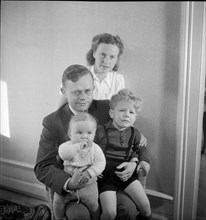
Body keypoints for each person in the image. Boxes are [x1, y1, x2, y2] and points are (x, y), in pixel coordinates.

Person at [34, 64, 145, 220]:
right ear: (64, 92)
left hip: (110, 180)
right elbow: (42, 167)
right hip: (76, 187)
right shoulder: (52, 122)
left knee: (128, 210)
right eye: (76, 92)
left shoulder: (109, 109)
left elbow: (130, 139)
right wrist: (69, 183)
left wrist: (134, 162)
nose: (83, 97)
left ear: (93, 88)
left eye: (87, 91)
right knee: (79, 216)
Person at [95, 89, 152, 220]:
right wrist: (93, 168)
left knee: (145, 206)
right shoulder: (100, 130)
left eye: (131, 112)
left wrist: (144, 162)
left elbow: (142, 150)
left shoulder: (135, 133)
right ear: (111, 113)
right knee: (110, 213)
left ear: (135, 118)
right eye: (122, 110)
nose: (127, 115)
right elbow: (90, 150)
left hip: (127, 176)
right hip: (106, 178)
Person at [53, 112, 106, 220]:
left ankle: (96, 217)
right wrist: (77, 147)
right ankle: (59, 217)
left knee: (94, 205)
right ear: (70, 134)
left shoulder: (95, 149)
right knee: (58, 201)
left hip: (88, 186)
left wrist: (89, 172)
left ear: (94, 135)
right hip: (68, 186)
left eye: (89, 133)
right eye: (79, 132)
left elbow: (101, 163)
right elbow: (64, 155)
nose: (84, 136)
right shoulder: (66, 146)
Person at [86, 33, 125, 100]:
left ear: (117, 59)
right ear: (94, 53)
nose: (106, 61)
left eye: (112, 57)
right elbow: (63, 107)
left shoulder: (118, 80)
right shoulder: (78, 75)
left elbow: (120, 107)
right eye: (102, 55)